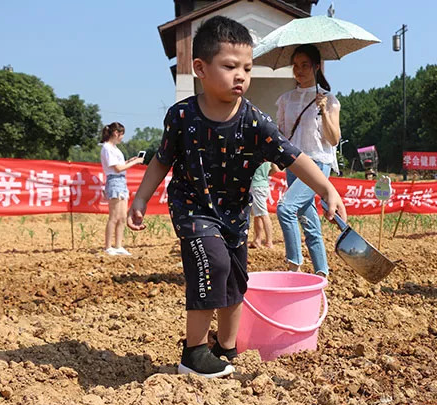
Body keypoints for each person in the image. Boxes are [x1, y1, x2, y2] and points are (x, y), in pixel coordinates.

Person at [127, 16, 346, 378]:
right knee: (213, 265)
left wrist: (327, 187)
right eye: (230, 66)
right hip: (193, 211)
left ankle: (225, 347)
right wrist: (139, 199)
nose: (241, 75)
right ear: (200, 68)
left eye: (247, 67)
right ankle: (194, 353)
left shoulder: (255, 122)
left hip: (234, 216)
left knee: (235, 280)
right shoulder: (181, 116)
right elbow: (161, 160)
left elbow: (293, 155)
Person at [276, 44, 341, 277]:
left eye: (304, 65)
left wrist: (323, 110)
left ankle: (294, 266)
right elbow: (282, 135)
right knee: (307, 219)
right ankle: (322, 272)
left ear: (316, 67)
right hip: (295, 164)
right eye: (295, 65)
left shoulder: (330, 100)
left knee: (285, 208)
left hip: (319, 163)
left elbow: (333, 139)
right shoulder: (285, 99)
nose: (299, 70)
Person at [100, 122, 144, 256]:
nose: (122, 137)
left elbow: (120, 166)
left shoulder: (114, 149)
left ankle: (118, 245)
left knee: (122, 217)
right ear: (115, 133)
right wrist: (134, 163)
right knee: (114, 216)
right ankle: (108, 246)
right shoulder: (107, 148)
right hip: (114, 180)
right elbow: (117, 168)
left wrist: (129, 161)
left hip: (121, 181)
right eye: (121, 134)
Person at [249, 161, 279, 249]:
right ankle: (257, 240)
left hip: (256, 185)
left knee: (263, 215)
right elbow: (276, 169)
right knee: (258, 215)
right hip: (263, 184)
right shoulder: (268, 155)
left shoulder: (254, 154)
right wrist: (265, 175)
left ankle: (269, 242)